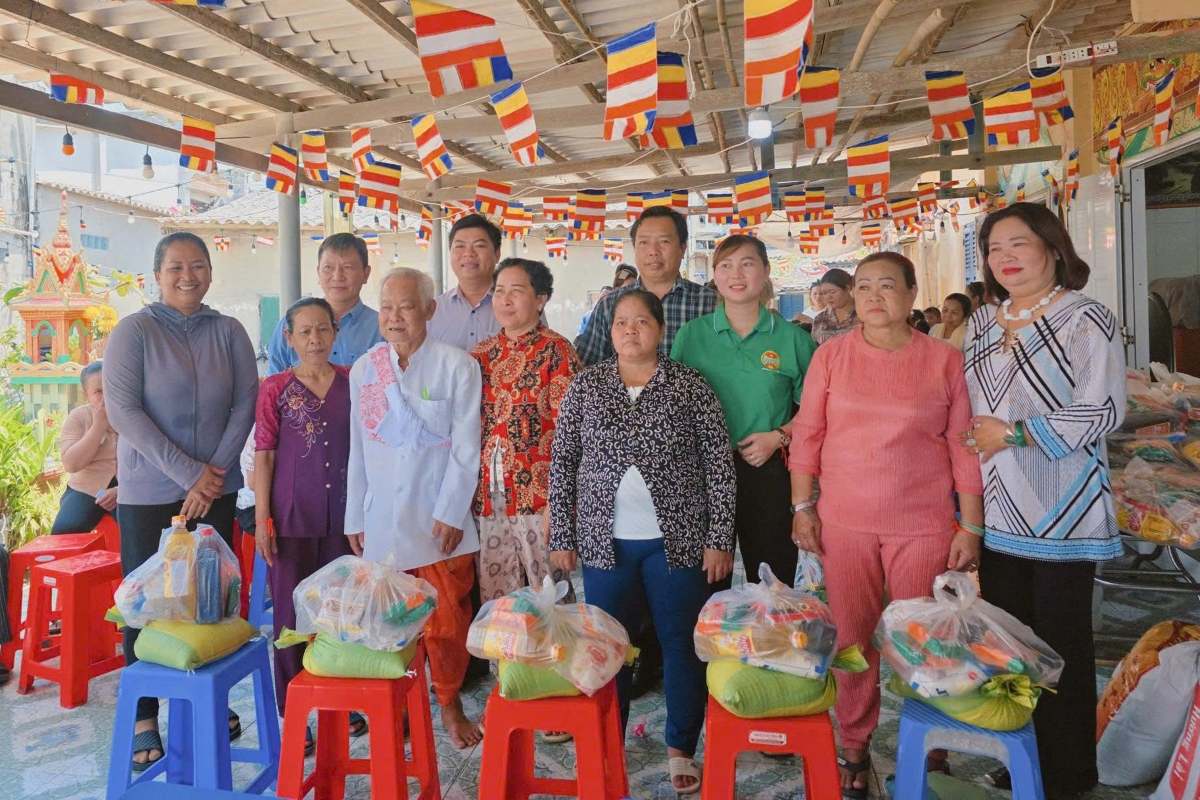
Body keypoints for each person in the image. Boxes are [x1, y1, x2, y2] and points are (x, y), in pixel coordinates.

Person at [789, 252, 984, 799]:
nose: (875, 296)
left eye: (888, 286)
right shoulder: (831, 356)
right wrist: (802, 508)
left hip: (923, 524)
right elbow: (808, 434)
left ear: (911, 292)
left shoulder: (944, 360)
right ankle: (854, 744)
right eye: (865, 286)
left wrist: (970, 526)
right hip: (845, 523)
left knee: (926, 642)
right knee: (852, 639)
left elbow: (962, 446)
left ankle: (933, 747)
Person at [960, 203, 1125, 799]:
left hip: (1064, 513)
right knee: (1011, 647)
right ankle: (1022, 755)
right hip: (999, 510)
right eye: (994, 248)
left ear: (1053, 247)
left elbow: (1104, 409)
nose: (1005, 257)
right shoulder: (981, 323)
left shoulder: (1087, 318)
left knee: (1061, 648)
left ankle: (1067, 773)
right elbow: (966, 407)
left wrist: (1016, 434)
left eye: (1018, 244)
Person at [549, 289, 736, 795]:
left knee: (680, 644)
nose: (631, 331)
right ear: (609, 333)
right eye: (621, 323)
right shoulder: (586, 386)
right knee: (610, 646)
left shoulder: (690, 386)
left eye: (641, 322)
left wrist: (719, 539)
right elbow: (563, 462)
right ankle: (607, 740)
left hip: (677, 542)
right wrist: (561, 534)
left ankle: (681, 747)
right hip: (604, 542)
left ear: (660, 329)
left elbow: (719, 466)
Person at [104, 232, 258, 772]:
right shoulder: (135, 332)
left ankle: (206, 696)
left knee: (209, 597)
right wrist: (190, 474)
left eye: (198, 265)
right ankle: (146, 714)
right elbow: (124, 412)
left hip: (216, 489)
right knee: (144, 600)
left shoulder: (230, 331)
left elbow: (245, 405)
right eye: (176, 267)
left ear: (211, 273)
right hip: (151, 491)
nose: (187, 275)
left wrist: (210, 479)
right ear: (156, 274)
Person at [345, 268, 483, 749]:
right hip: (382, 521)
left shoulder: (457, 366)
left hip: (439, 522)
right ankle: (396, 706)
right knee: (388, 622)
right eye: (386, 307)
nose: (394, 317)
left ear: (430, 310)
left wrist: (450, 510)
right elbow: (358, 450)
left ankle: (448, 704)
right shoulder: (366, 369)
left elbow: (467, 447)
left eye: (405, 306)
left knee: (446, 622)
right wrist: (354, 518)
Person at [671, 235, 815, 590]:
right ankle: (708, 646)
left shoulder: (792, 339)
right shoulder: (692, 335)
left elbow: (817, 411)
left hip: (765, 468)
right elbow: (672, 404)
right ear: (715, 276)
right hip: (701, 472)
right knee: (703, 581)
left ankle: (773, 644)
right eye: (726, 266)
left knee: (773, 582)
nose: (737, 274)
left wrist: (779, 436)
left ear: (766, 272)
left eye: (747, 264)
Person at [254, 298, 357, 751]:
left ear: (335, 333)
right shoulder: (275, 388)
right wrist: (262, 519)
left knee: (344, 610)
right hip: (292, 517)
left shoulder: (355, 382)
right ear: (289, 339)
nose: (314, 340)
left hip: (347, 519)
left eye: (322, 330)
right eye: (304, 332)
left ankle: (345, 697)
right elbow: (265, 454)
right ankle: (294, 706)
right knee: (290, 615)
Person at [471, 258, 579, 603]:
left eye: (516, 291)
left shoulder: (557, 351)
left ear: (541, 299)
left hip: (539, 500)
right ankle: (503, 661)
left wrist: (560, 505)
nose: (505, 300)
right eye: (499, 291)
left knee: (549, 599)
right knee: (498, 602)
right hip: (488, 500)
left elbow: (572, 433)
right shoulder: (480, 355)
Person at [574, 206, 716, 366]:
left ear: (682, 249)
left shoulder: (710, 303)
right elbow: (585, 366)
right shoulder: (609, 305)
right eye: (643, 242)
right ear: (635, 248)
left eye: (664, 241)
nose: (653, 251)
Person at [266, 233, 382, 374]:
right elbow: (274, 383)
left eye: (348, 267)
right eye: (328, 268)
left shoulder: (382, 329)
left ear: (366, 273)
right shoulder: (291, 323)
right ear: (318, 272)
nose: (337, 276)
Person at [52, 361, 118, 534]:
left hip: (129, 486)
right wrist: (98, 426)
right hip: (86, 488)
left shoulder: (133, 412)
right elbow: (71, 464)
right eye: (98, 392)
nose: (106, 397)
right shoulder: (78, 417)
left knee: (141, 531)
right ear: (86, 394)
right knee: (64, 531)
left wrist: (122, 490)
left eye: (110, 388)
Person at [428, 213, 503, 351]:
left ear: (497, 254)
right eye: (460, 246)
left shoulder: (521, 306)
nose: (468, 253)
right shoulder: (433, 311)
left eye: (479, 245)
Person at [810, 268, 858, 345]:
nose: (828, 297)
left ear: (848, 288)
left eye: (832, 292)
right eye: (824, 293)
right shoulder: (820, 319)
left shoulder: (863, 316)